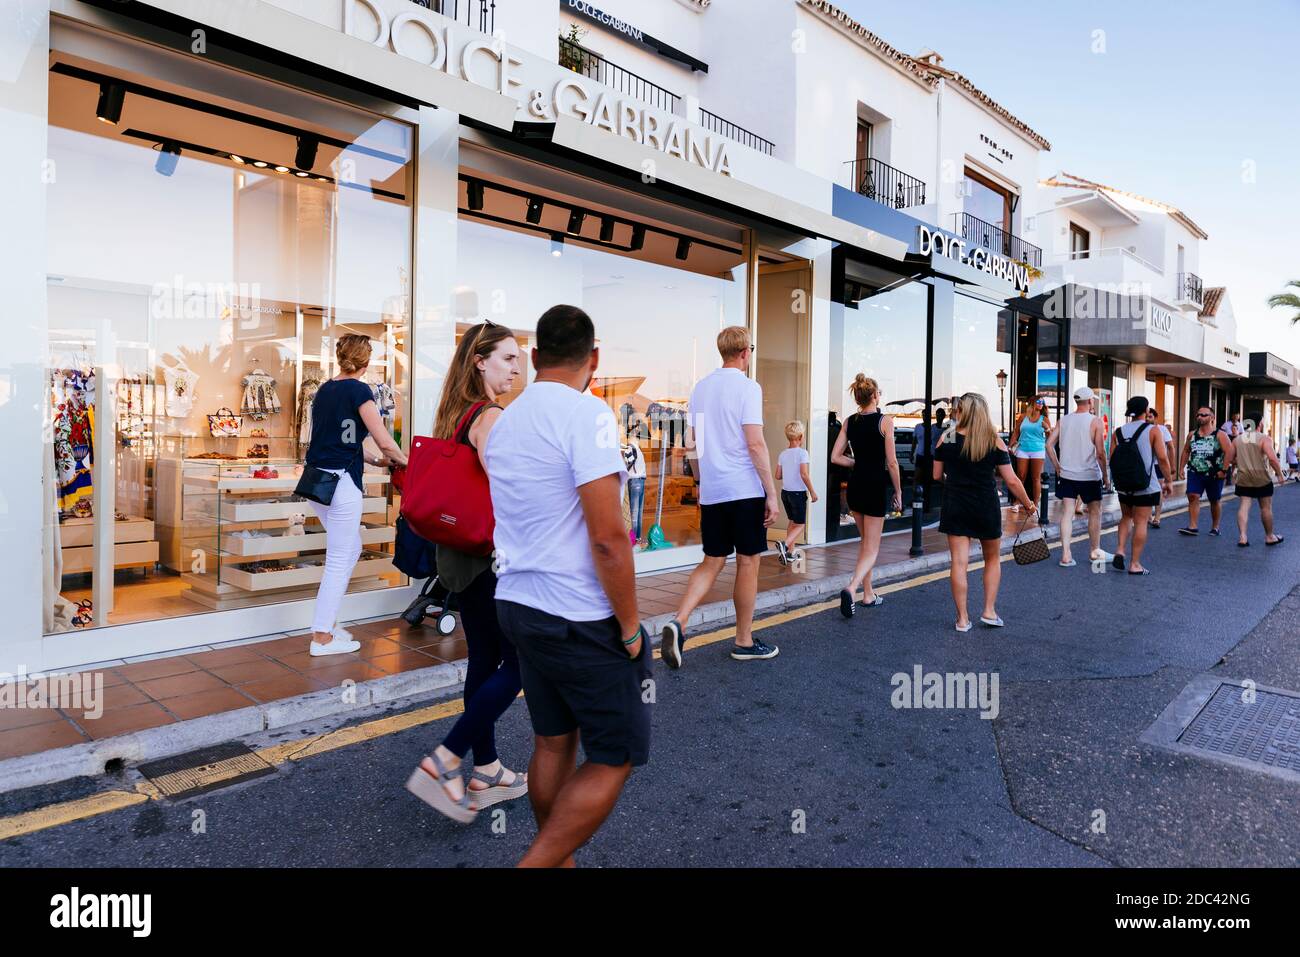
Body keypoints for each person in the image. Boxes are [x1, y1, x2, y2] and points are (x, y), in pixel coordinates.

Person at [484, 305, 650, 868]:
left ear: (534, 358)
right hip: (575, 614)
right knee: (616, 752)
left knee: (553, 742)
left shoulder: (506, 420)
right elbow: (608, 537)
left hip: (516, 604)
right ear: (594, 359)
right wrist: (630, 628)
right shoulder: (589, 414)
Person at [406, 322, 528, 823]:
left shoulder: (456, 411)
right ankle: (445, 761)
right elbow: (513, 492)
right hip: (490, 557)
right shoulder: (491, 416)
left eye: (518, 359)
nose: (516, 368)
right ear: (479, 361)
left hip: (459, 557)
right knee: (521, 665)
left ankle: (488, 769)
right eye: (507, 358)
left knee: (483, 660)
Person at [661, 326, 780, 668]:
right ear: (745, 353)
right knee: (748, 562)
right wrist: (771, 494)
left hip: (714, 492)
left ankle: (679, 621)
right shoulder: (748, 388)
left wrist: (700, 485)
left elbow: (692, 444)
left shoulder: (700, 389)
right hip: (744, 490)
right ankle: (743, 640)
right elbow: (755, 443)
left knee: (712, 560)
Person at [305, 334, 407, 657]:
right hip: (342, 485)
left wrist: (377, 461)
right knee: (339, 558)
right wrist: (410, 463)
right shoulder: (360, 390)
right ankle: (321, 637)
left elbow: (342, 441)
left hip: (317, 483)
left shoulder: (324, 391)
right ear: (365, 363)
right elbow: (385, 439)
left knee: (350, 549)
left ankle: (328, 624)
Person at [933, 392, 1036, 632]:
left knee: (959, 562)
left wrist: (955, 478)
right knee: (992, 559)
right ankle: (989, 611)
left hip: (955, 504)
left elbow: (936, 475)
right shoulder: (993, 440)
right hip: (985, 505)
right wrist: (1029, 504)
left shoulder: (946, 437)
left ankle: (962, 619)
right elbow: (1011, 480)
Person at [830, 375, 901, 617]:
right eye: (878, 392)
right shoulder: (885, 421)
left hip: (856, 485)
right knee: (872, 549)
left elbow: (835, 457)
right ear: (873, 396)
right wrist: (899, 491)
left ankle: (868, 594)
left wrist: (856, 463)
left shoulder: (850, 421)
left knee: (865, 544)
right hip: (874, 486)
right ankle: (851, 588)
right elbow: (892, 462)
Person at [1046, 385, 1108, 568]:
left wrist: (1058, 467)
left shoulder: (1063, 420)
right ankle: (1094, 552)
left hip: (1067, 475)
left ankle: (1066, 554)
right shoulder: (1096, 421)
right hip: (1089, 475)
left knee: (1067, 513)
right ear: (1089, 401)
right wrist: (1106, 476)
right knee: (1095, 512)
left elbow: (1049, 445)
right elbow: (1100, 453)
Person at [1111, 396, 1173, 575]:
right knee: (1140, 522)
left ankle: (1120, 550)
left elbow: (1113, 458)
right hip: (1146, 484)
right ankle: (1135, 564)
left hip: (1124, 484)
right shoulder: (1153, 430)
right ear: (1146, 411)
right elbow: (1162, 458)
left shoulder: (1118, 431)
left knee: (1126, 517)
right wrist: (1168, 481)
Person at [1179, 406, 1234, 537]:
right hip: (1195, 471)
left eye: (1204, 415)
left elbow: (1229, 452)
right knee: (1192, 496)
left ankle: (1215, 527)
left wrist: (1224, 470)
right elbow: (1186, 450)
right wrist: (1181, 468)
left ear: (1212, 418)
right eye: (1198, 415)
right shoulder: (1192, 434)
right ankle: (1193, 526)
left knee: (1214, 500)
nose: (1200, 417)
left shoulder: (1220, 435)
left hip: (1214, 473)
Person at [1231, 427, 1286, 546]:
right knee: (1265, 508)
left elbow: (1231, 458)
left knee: (1244, 505)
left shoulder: (1237, 440)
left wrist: (1240, 463)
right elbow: (1272, 459)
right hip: (1261, 477)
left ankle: (1243, 537)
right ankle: (1270, 536)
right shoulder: (1264, 439)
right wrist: (1279, 474)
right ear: (1259, 424)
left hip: (1244, 476)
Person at [775, 420, 817, 565]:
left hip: (785, 493)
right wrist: (813, 492)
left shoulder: (783, 454)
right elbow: (804, 474)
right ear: (800, 437)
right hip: (798, 494)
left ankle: (790, 553)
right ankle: (785, 544)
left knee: (792, 522)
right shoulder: (803, 453)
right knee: (800, 525)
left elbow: (778, 475)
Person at [1009, 395, 1051, 512]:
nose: (1041, 403)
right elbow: (1016, 432)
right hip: (1023, 449)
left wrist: (1047, 428)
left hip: (1038, 450)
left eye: (1042, 402)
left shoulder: (1044, 419)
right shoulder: (1023, 417)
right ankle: (1017, 502)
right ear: (1032, 403)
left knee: (1035, 478)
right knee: (1020, 476)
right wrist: (1010, 445)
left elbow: (1050, 437)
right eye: (1038, 401)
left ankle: (1035, 504)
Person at [1145, 408, 1176, 528]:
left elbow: (1171, 447)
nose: (1148, 419)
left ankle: (1157, 517)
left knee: (1158, 491)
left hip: (1159, 465)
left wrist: (1172, 465)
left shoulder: (1162, 429)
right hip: (1147, 464)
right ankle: (1148, 516)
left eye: (1150, 417)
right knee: (1147, 490)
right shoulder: (1142, 429)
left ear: (1155, 418)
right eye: (1146, 417)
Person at [913, 407, 946, 510]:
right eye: (937, 415)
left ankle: (943, 498)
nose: (939, 417)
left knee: (940, 478)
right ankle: (921, 499)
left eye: (941, 415)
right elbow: (926, 441)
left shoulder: (947, 427)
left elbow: (950, 442)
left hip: (941, 456)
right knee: (926, 478)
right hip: (931, 455)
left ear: (944, 416)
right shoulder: (932, 427)